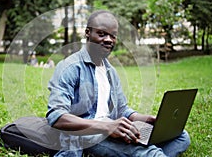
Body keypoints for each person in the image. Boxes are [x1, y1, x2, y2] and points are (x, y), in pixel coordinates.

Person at [46, 10, 190, 157]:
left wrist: (148, 120)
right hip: (86, 134)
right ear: (88, 33)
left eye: (113, 36)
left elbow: (122, 111)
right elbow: (57, 116)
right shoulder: (69, 67)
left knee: (181, 136)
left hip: (111, 129)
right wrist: (106, 127)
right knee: (152, 154)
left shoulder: (110, 71)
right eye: (102, 34)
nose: (109, 40)